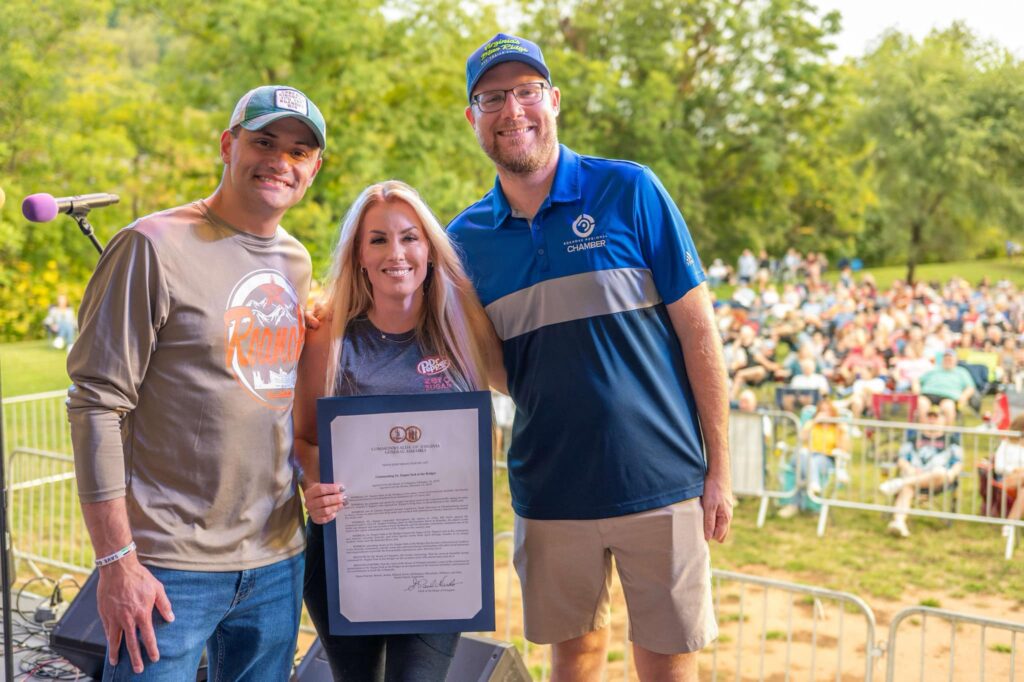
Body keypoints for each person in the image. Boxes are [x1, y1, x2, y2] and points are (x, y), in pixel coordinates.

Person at [449, 33, 731, 681]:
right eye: (492, 97)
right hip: (550, 490)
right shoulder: (463, 241)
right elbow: (493, 369)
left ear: (552, 100)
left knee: (667, 662)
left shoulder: (630, 190)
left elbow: (700, 334)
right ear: (473, 118)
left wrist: (720, 469)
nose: (511, 110)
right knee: (573, 657)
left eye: (525, 92)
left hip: (661, 480)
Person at [67, 85, 326, 678]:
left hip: (277, 561)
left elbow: (273, 398)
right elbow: (95, 405)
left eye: (298, 151)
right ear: (227, 144)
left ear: (314, 167)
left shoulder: (296, 260)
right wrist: (116, 561)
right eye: (264, 141)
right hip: (166, 569)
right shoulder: (151, 246)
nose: (280, 162)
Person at [293, 180, 499, 680]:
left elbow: (496, 417)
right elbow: (302, 439)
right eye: (378, 239)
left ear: (429, 248)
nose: (396, 253)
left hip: (439, 556)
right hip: (348, 552)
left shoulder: (465, 327)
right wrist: (316, 485)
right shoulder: (330, 335)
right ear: (359, 255)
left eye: (410, 237)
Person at [878, 407, 964, 537]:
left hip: (938, 479)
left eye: (936, 417)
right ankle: (899, 523)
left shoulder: (951, 440)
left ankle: (899, 483)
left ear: (944, 420)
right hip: (914, 475)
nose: (932, 420)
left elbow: (958, 462)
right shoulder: (913, 439)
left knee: (939, 472)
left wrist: (952, 473)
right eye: (929, 417)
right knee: (908, 487)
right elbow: (902, 459)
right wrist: (909, 469)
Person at [778, 399, 850, 518]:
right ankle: (814, 483)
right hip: (804, 455)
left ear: (833, 413)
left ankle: (793, 505)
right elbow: (801, 438)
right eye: (821, 410)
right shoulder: (811, 424)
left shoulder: (837, 428)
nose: (824, 413)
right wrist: (814, 422)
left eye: (827, 411)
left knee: (808, 465)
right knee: (805, 456)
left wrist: (843, 431)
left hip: (825, 458)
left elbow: (844, 449)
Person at [913, 349, 976, 424]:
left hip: (949, 397)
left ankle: (946, 434)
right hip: (928, 394)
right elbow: (916, 380)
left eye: (950, 358)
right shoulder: (933, 369)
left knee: (948, 406)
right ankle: (923, 432)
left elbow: (970, 387)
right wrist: (916, 390)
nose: (948, 360)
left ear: (956, 360)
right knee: (921, 403)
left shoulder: (962, 372)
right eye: (946, 358)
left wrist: (963, 396)